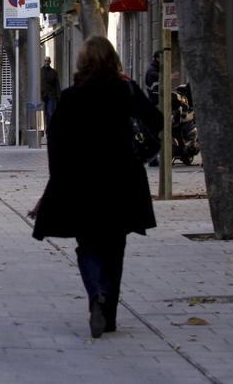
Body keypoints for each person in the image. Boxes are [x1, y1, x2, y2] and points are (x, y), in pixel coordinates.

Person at [30, 36, 161, 338]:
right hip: (122, 180)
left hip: (81, 182)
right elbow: (155, 120)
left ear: (82, 62)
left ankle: (96, 295)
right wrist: (137, 153)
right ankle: (109, 313)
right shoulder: (126, 90)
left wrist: (57, 181)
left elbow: (57, 143)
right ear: (113, 60)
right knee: (115, 247)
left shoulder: (71, 96)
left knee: (87, 245)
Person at [41, 56, 62, 125]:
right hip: (43, 95)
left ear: (50, 62)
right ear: (44, 62)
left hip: (51, 95)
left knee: (50, 112)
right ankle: (47, 130)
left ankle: (51, 129)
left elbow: (57, 84)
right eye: (45, 61)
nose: (46, 62)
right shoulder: (40, 71)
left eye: (48, 61)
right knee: (45, 113)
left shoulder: (53, 72)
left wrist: (58, 95)